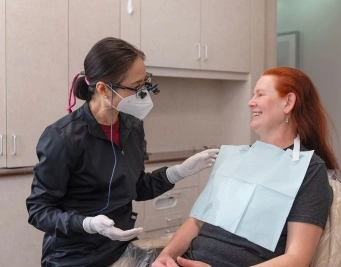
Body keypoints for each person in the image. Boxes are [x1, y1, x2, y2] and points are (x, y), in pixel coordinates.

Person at [26, 37, 219, 267]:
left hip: (122, 250)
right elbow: (39, 210)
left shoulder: (132, 127)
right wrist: (87, 223)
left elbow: (136, 187)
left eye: (145, 83)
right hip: (74, 258)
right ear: (103, 89)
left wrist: (177, 172)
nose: (144, 93)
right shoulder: (62, 137)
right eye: (136, 87)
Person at [152, 67, 339, 267]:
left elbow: (297, 259)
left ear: (288, 102)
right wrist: (166, 256)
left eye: (260, 94)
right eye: (252, 95)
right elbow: (196, 221)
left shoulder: (308, 170)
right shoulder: (236, 159)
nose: (251, 103)